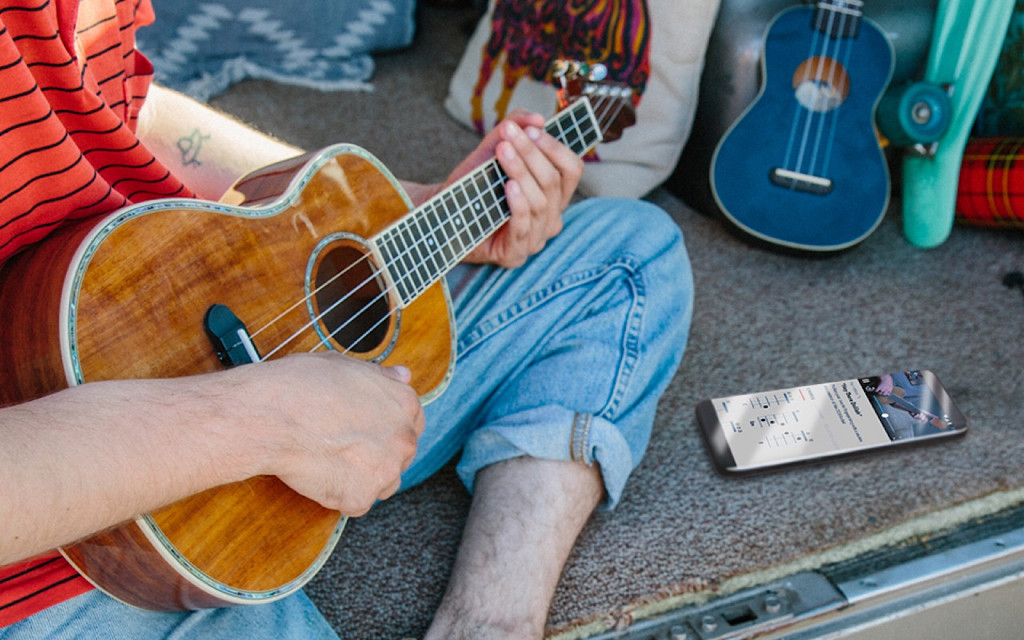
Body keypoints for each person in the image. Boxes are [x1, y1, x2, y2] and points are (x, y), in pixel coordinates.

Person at [0, 0, 693, 638]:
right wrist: (261, 421)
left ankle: (491, 624)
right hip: (60, 554)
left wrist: (385, 211)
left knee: (626, 258)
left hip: (166, 318)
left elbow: (116, 107)